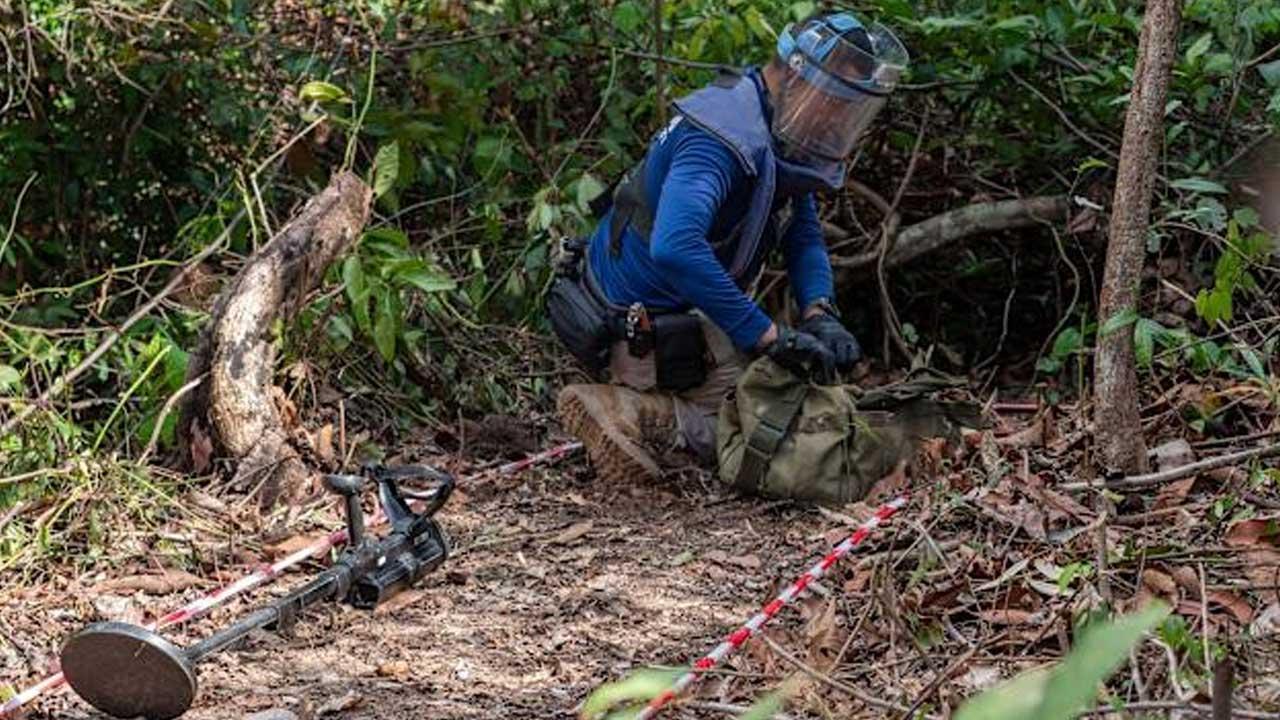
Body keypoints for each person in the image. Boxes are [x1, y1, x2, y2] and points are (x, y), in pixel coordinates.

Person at [548, 11, 909, 484]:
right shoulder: (718, 139)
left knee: (791, 399)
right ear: (797, 79)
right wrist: (768, 336)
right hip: (635, 319)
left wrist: (820, 312)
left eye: (850, 110)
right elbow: (675, 247)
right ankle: (624, 407)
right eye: (835, 103)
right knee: (758, 428)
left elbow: (803, 234)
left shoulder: (774, 124)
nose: (838, 120)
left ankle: (668, 397)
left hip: (687, 307)